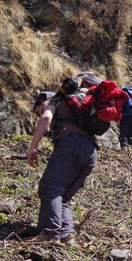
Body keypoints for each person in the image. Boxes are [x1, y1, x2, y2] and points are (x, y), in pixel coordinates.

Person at [26, 81, 98, 245]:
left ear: (42, 101)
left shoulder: (54, 101)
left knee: (50, 187)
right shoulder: (76, 108)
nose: (39, 114)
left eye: (38, 110)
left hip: (72, 145)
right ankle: (67, 235)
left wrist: (32, 148)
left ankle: (49, 234)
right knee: (64, 195)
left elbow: (46, 118)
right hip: (91, 152)